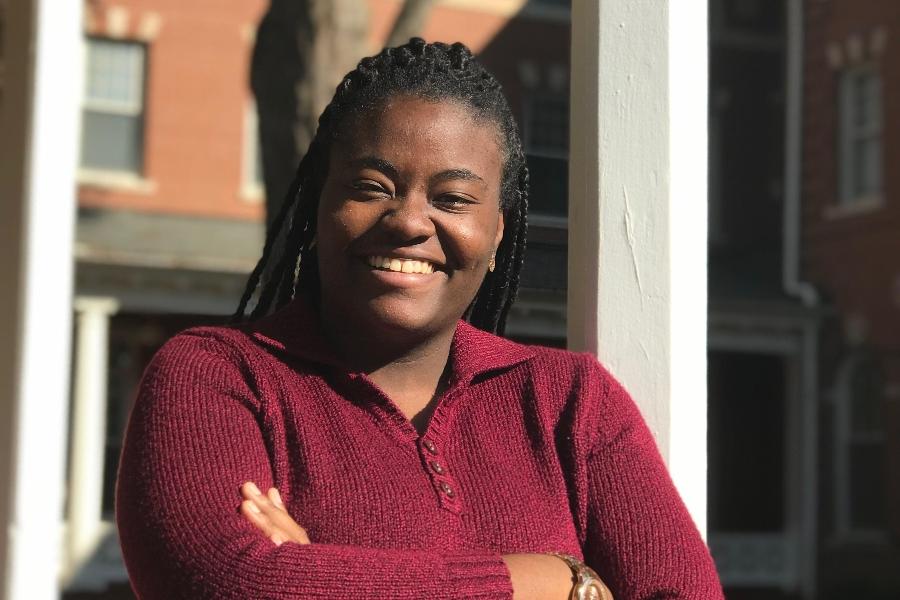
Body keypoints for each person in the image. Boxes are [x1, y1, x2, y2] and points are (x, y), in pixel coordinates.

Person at [115, 38, 723, 599]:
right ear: (317, 206)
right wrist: (555, 580)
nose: (409, 222)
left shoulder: (571, 401)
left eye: (453, 198)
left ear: (497, 232)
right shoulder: (220, 376)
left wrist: (320, 573)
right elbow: (228, 583)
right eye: (372, 187)